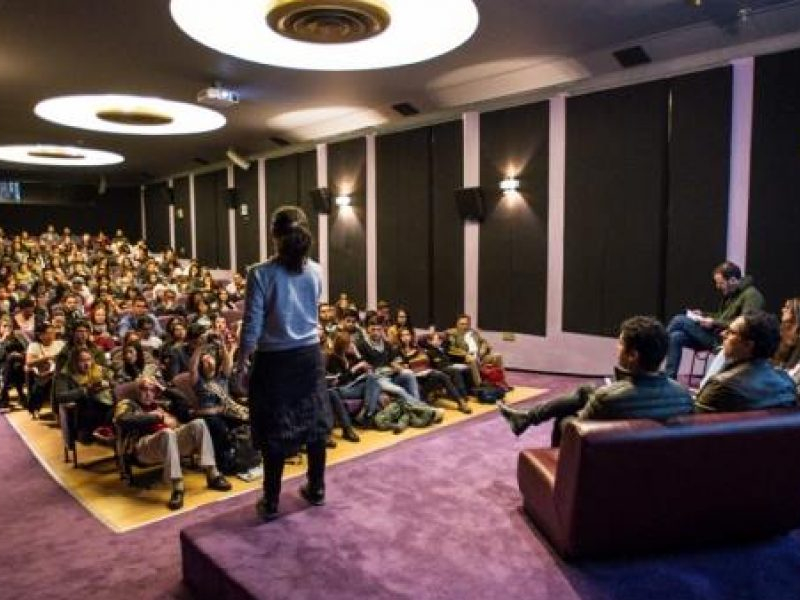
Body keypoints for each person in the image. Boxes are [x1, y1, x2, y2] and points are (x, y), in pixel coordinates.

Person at [236, 206, 332, 522]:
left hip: (274, 361)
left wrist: (241, 365)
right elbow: (315, 311)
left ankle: (272, 501)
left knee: (274, 430)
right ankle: (316, 488)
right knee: (315, 424)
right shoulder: (316, 270)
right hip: (308, 357)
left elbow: (251, 326)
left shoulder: (260, 273)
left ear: (274, 235)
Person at [498, 316, 694, 446]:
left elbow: (580, 433)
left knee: (564, 419)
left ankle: (563, 485)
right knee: (586, 391)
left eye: (620, 343)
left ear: (633, 355)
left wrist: (574, 414)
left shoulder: (607, 398)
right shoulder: (683, 395)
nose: (617, 348)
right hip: (649, 457)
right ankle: (526, 418)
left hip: (613, 461)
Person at [114, 378, 231, 510]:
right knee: (167, 433)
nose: (148, 393)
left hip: (170, 442)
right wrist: (155, 417)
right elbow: (122, 420)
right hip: (143, 447)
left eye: (151, 390)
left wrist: (164, 389)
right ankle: (177, 487)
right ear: (137, 391)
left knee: (199, 424)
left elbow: (183, 400)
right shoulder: (128, 403)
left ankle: (213, 474)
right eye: (143, 389)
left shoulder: (160, 404)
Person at [664, 261, 764, 379]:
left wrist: (713, 323)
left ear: (732, 280)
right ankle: (668, 378)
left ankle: (656, 352)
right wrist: (704, 315)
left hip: (726, 340)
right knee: (676, 337)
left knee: (679, 320)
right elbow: (722, 317)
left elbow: (746, 324)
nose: (718, 287)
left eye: (720, 283)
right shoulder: (731, 295)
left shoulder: (752, 295)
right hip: (715, 336)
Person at [694, 311, 798, 413]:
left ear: (748, 345)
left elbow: (693, 426)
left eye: (731, 332)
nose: (723, 334)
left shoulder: (720, 385)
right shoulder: (787, 383)